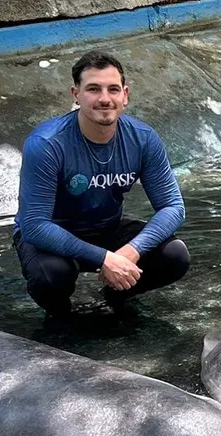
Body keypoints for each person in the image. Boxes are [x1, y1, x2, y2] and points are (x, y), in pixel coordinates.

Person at [13, 50, 189, 320]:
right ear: (76, 95)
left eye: (113, 89)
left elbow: (172, 206)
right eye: (93, 89)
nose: (104, 99)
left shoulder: (143, 139)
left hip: (107, 227)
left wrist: (132, 251)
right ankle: (60, 317)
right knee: (51, 278)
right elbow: (34, 225)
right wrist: (105, 259)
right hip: (52, 235)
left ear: (125, 95)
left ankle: (117, 294)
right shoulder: (47, 143)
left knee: (175, 255)